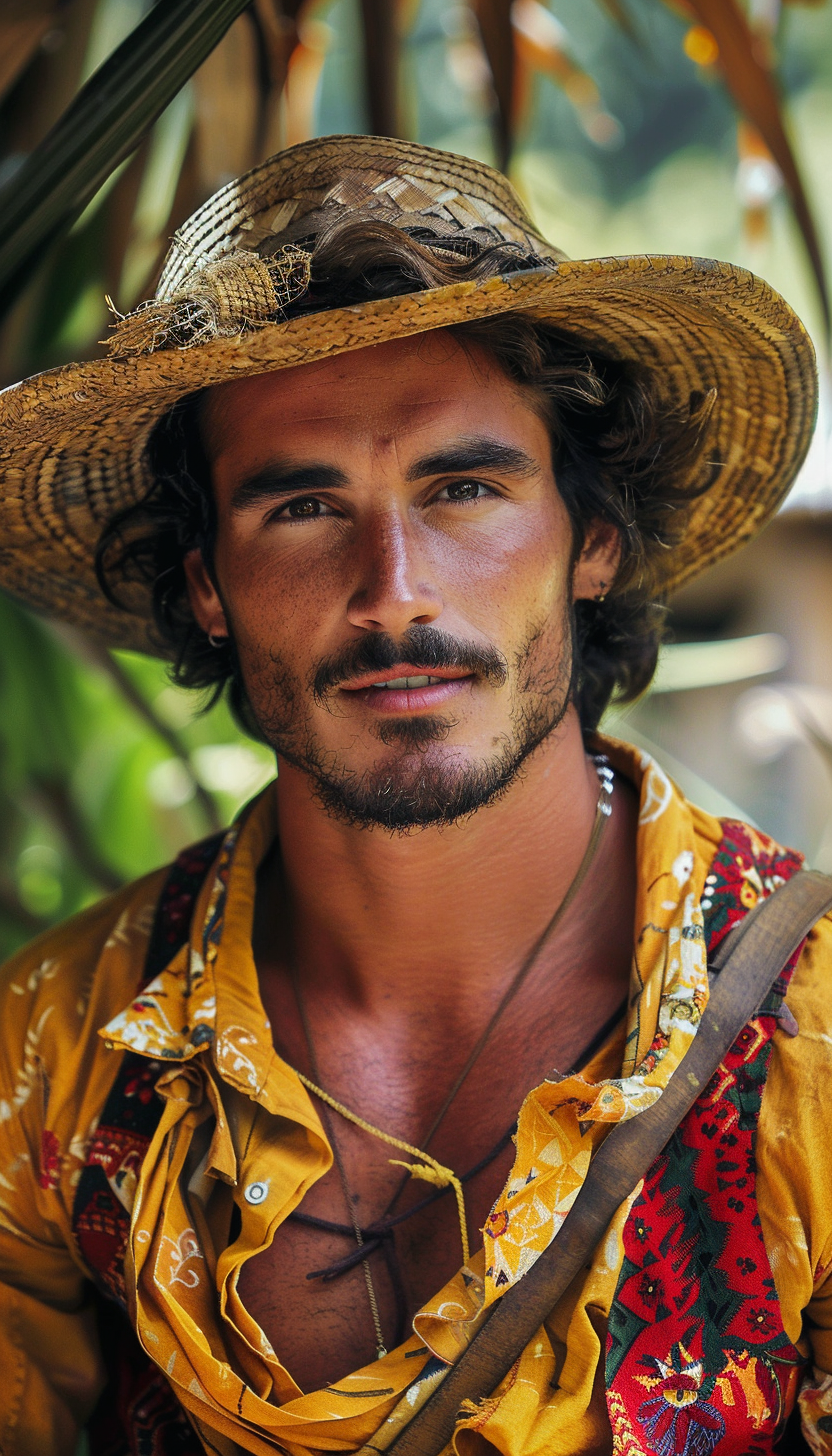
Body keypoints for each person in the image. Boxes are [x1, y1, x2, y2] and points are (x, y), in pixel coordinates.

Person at [0, 134, 828, 1456]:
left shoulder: (816, 1049)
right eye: (304, 507)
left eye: (465, 488)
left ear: (594, 542)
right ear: (205, 584)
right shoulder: (51, 1056)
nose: (396, 589)